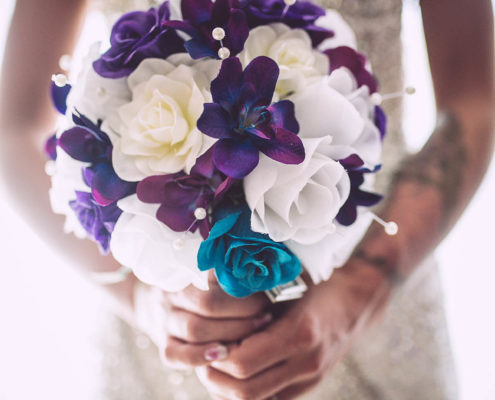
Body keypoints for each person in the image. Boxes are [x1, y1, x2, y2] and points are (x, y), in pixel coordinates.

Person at [1, 0, 494, 398]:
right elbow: (14, 127)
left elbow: (475, 98)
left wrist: (360, 291)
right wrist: (143, 300)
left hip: (380, 273)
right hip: (165, 321)